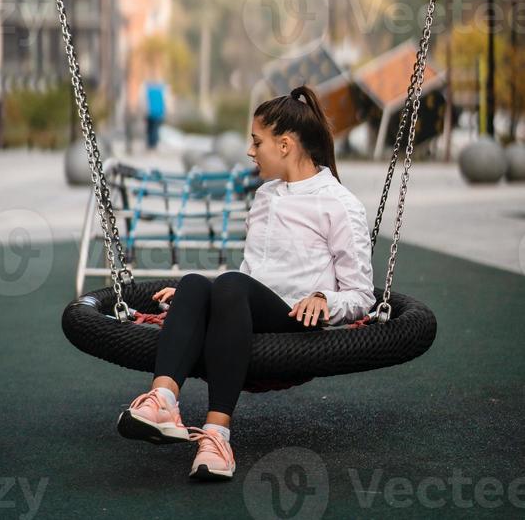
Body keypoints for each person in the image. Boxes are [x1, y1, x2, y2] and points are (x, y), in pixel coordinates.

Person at [116, 84, 376, 482]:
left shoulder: (339, 204)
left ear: (285, 145)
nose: (250, 152)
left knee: (227, 284)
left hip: (296, 318)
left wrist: (325, 299)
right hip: (254, 308)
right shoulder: (266, 195)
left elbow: (361, 294)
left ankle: (217, 438)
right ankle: (163, 402)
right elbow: (250, 275)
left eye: (257, 142)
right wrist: (192, 300)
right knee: (193, 284)